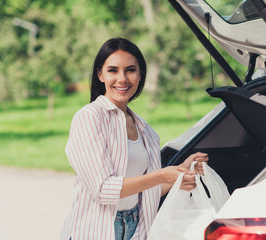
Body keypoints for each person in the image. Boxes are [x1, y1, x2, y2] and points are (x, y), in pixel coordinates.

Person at [61, 37, 208, 240]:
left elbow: (148, 191)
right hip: (96, 229)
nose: (122, 78)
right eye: (113, 70)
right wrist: (161, 176)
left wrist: (180, 174)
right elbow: (103, 189)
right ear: (100, 74)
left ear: (140, 75)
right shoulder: (89, 117)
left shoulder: (145, 130)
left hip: (135, 227)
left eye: (130, 70)